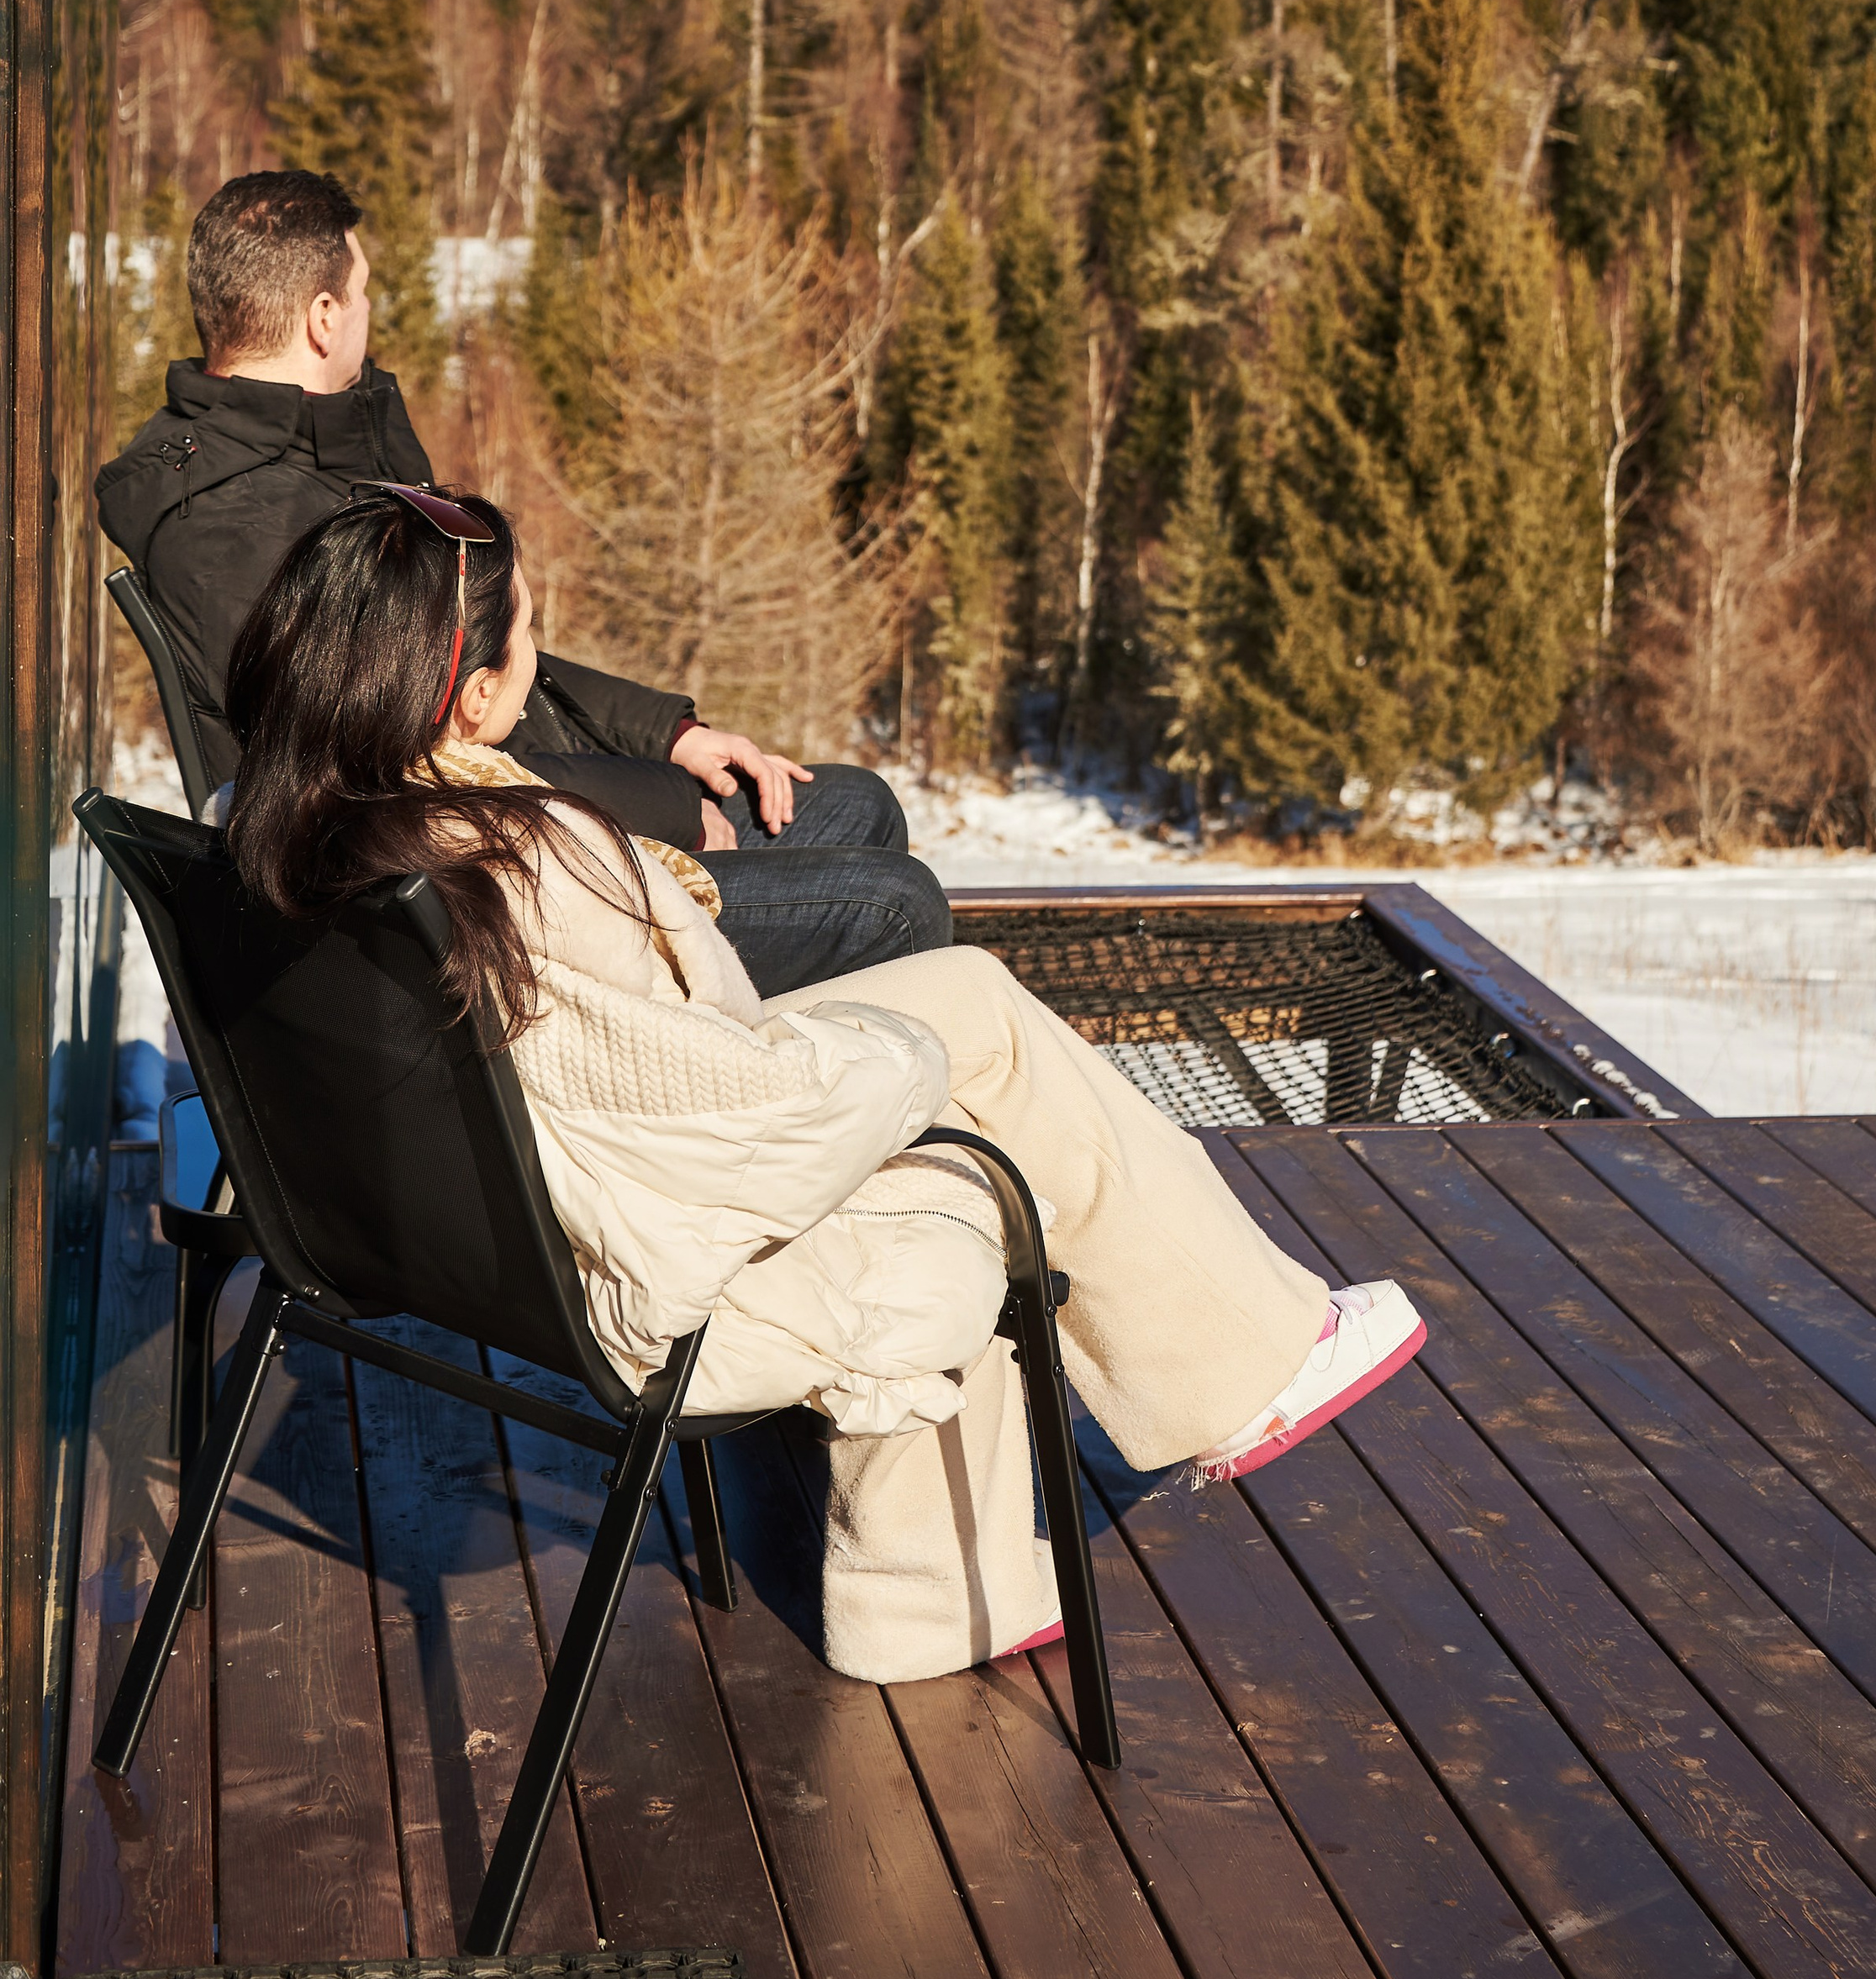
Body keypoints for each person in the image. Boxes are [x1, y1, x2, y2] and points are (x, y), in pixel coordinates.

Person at [219, 482, 1426, 1682]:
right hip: (625, 1260)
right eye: (528, 632)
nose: (538, 655)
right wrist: (902, 1063)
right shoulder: (518, 861)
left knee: (971, 1003)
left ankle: (940, 1589)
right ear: (474, 692)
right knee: (962, 1113)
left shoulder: (286, 822)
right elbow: (747, 1124)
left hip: (482, 1222)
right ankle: (1238, 1369)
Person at [97, 167, 951, 992]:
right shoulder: (238, 529)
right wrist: (666, 806)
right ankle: (768, 1105)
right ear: (323, 316)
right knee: (896, 905)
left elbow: (492, 649)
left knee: (853, 804)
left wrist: (666, 736)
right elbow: (412, 773)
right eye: (361, 294)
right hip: (486, 891)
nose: (366, 314)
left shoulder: (317, 468)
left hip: (522, 819)